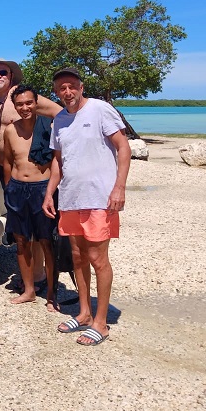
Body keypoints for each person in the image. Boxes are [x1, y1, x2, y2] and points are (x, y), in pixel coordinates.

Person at [42, 68, 130, 347]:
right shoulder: (59, 120)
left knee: (98, 259)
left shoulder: (100, 109)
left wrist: (119, 187)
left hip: (99, 198)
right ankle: (83, 313)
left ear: (81, 86)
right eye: (61, 88)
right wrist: (49, 194)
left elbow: (123, 147)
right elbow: (58, 160)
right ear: (56, 92)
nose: (66, 92)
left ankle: (101, 323)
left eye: (71, 86)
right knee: (77, 257)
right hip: (70, 198)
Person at [0, 58, 62, 290]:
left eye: (3, 73)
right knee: (19, 227)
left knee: (38, 231)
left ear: (12, 77)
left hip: (29, 173)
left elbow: (59, 112)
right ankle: (29, 276)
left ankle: (39, 276)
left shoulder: (19, 99)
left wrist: (47, 141)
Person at [2, 85, 58, 311]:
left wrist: (52, 192)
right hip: (17, 189)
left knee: (47, 242)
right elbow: (7, 161)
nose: (24, 108)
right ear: (14, 106)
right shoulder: (9, 130)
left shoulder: (49, 127)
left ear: (36, 103)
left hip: (42, 188)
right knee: (22, 242)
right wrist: (8, 188)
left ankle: (52, 294)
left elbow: (57, 160)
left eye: (29, 103)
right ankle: (29, 291)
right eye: (20, 104)